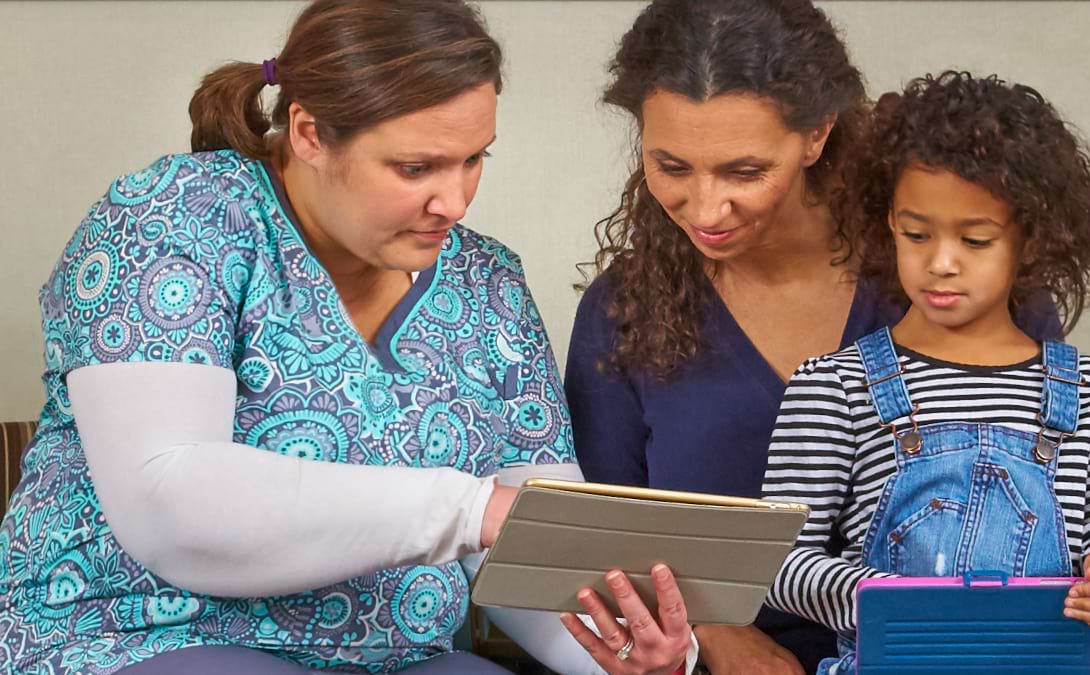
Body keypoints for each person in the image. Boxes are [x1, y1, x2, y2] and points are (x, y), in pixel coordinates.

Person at [0, 1, 688, 673]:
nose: (455, 199)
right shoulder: (175, 219)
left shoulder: (488, 283)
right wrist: (466, 507)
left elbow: (529, 538)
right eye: (416, 168)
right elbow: (169, 501)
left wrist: (623, 650)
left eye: (474, 158)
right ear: (307, 133)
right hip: (136, 635)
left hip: (393, 657)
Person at [565, 2, 1061, 673]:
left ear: (817, 132)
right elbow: (608, 535)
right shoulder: (623, 311)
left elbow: (1059, 508)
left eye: (744, 171)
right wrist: (707, 632)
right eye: (672, 166)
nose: (707, 208)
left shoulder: (966, 286)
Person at [760, 71, 1090, 674]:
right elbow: (778, 563)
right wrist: (899, 603)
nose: (940, 263)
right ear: (887, 222)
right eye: (916, 233)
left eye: (975, 240)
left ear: (1030, 240)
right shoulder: (834, 387)